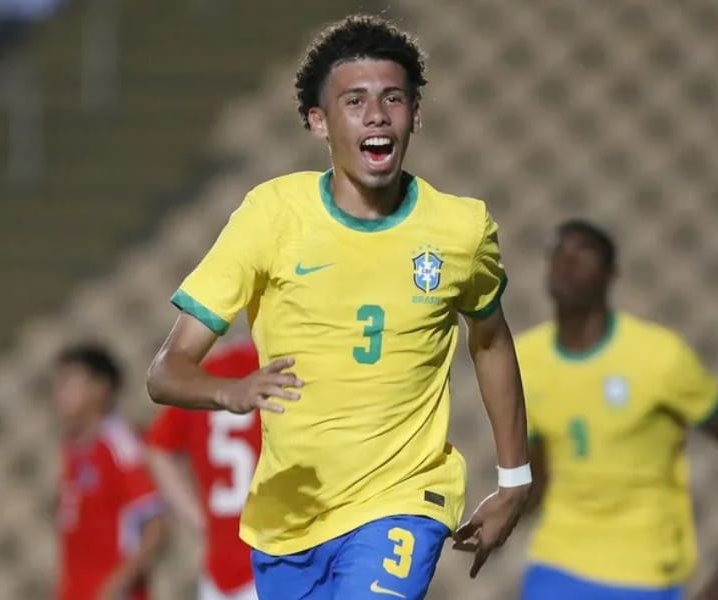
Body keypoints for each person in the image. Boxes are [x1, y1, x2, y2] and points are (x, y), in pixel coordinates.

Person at [145, 14, 531, 600]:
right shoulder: (271, 216)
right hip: (288, 520)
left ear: (416, 114)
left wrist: (514, 479)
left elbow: (490, 340)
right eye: (355, 101)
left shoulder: (461, 230)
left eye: (392, 99)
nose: (376, 114)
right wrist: (229, 391)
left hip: (402, 499)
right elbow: (165, 372)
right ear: (318, 122)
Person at [516, 220, 718, 600]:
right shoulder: (524, 360)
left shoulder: (659, 357)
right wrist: (497, 518)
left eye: (584, 253)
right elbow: (541, 469)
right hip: (558, 560)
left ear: (611, 276)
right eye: (559, 251)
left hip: (643, 571)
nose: (566, 262)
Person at [146, 337, 262, 600]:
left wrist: (201, 519)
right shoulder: (282, 365)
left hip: (220, 563)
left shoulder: (209, 373)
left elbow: (158, 449)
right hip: (275, 554)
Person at [53, 343, 168, 600]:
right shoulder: (73, 449)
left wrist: (116, 585)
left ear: (100, 387)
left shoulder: (122, 444)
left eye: (70, 383)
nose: (60, 394)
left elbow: (156, 528)